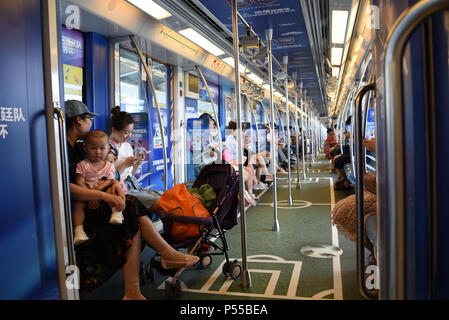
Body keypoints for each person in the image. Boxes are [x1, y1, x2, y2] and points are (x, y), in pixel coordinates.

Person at [66, 101, 198, 299]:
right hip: (83, 210)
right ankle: (163, 257)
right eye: (88, 120)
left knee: (132, 214)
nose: (91, 124)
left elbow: (106, 175)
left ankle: (138, 285)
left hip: (99, 201)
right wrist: (104, 194)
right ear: (79, 121)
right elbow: (70, 188)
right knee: (132, 209)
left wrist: (114, 186)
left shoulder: (79, 149)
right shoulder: (65, 151)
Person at [109, 106, 202, 262]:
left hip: (131, 183)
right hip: (120, 189)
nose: (128, 136)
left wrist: (136, 165)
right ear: (114, 129)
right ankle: (177, 242)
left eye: (130, 132)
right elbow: (107, 172)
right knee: (162, 204)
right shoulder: (107, 147)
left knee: (167, 199)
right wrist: (125, 163)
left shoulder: (126, 146)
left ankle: (184, 236)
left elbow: (131, 174)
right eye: (125, 132)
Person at [72, 130, 125, 246]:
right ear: (85, 148)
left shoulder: (110, 166)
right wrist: (90, 196)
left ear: (108, 148)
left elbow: (110, 182)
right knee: (77, 204)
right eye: (93, 148)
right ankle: (79, 231)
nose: (98, 152)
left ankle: (116, 213)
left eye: (102, 148)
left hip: (104, 193)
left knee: (112, 191)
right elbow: (79, 183)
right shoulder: (82, 165)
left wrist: (96, 192)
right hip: (86, 195)